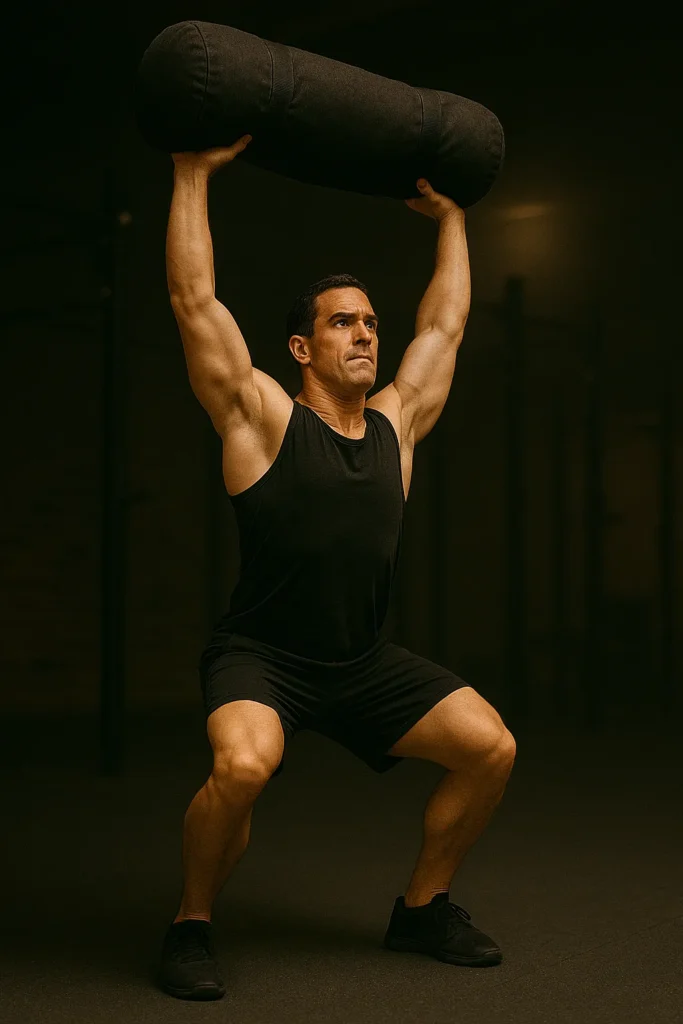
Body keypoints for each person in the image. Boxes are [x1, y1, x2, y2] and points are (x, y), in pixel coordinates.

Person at [159, 134, 516, 1001]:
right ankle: (190, 924)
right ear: (300, 348)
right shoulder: (262, 419)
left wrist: (452, 220)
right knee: (242, 768)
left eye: (369, 323)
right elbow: (193, 299)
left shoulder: (397, 426)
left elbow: (444, 327)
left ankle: (421, 909)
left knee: (489, 747)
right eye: (341, 322)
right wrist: (191, 173)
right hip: (262, 658)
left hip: (359, 662)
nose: (363, 332)